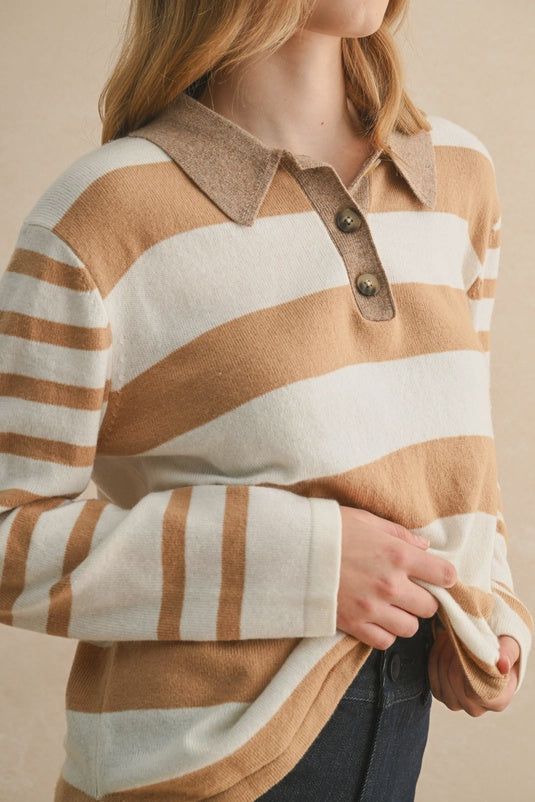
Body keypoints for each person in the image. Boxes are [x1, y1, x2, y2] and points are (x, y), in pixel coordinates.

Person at [0, 0, 532, 799]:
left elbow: (451, 447)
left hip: (395, 730)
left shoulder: (456, 175)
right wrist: (305, 559)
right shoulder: (104, 213)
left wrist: (488, 607)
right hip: (194, 766)